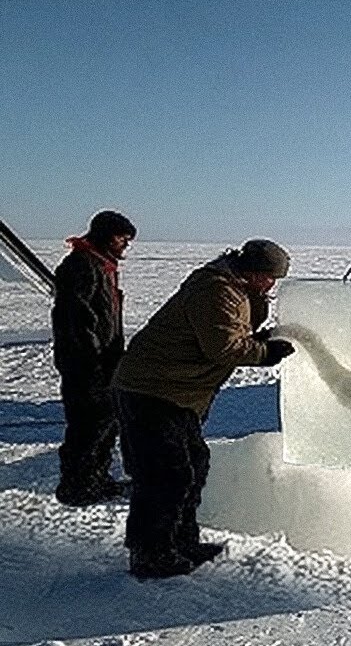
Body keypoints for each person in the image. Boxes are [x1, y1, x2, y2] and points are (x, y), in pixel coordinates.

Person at [112, 239, 296, 579]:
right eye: (269, 277)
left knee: (193, 466)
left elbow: (234, 333)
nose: (272, 285)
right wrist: (264, 353)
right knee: (165, 474)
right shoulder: (216, 290)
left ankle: (181, 542)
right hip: (152, 389)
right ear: (254, 272)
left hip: (180, 392)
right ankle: (150, 553)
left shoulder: (238, 291)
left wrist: (262, 338)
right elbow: (222, 347)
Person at [51, 210, 136, 507]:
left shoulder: (103, 266)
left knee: (105, 422)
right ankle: (76, 486)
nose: (125, 244)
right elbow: (77, 321)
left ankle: (97, 479)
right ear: (104, 236)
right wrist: (92, 362)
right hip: (85, 363)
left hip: (105, 359)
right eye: (120, 238)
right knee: (86, 424)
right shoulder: (81, 266)